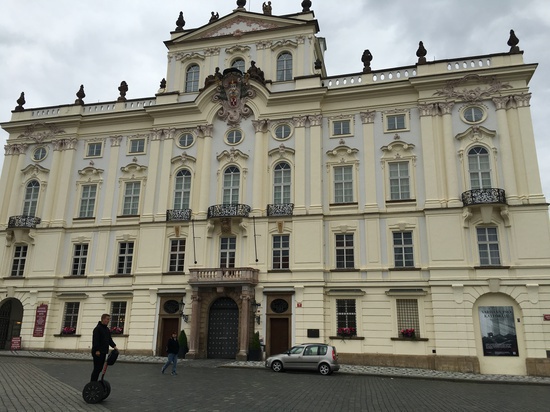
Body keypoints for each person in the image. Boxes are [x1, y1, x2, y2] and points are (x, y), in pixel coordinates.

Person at [90, 313, 117, 381]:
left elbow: (109, 339)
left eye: (109, 319)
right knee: (97, 368)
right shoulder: (97, 329)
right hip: (98, 352)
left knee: (100, 368)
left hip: (103, 351)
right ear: (103, 319)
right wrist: (97, 350)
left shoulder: (106, 329)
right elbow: (96, 340)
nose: (108, 321)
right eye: (107, 319)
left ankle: (95, 382)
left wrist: (114, 346)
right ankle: (92, 382)